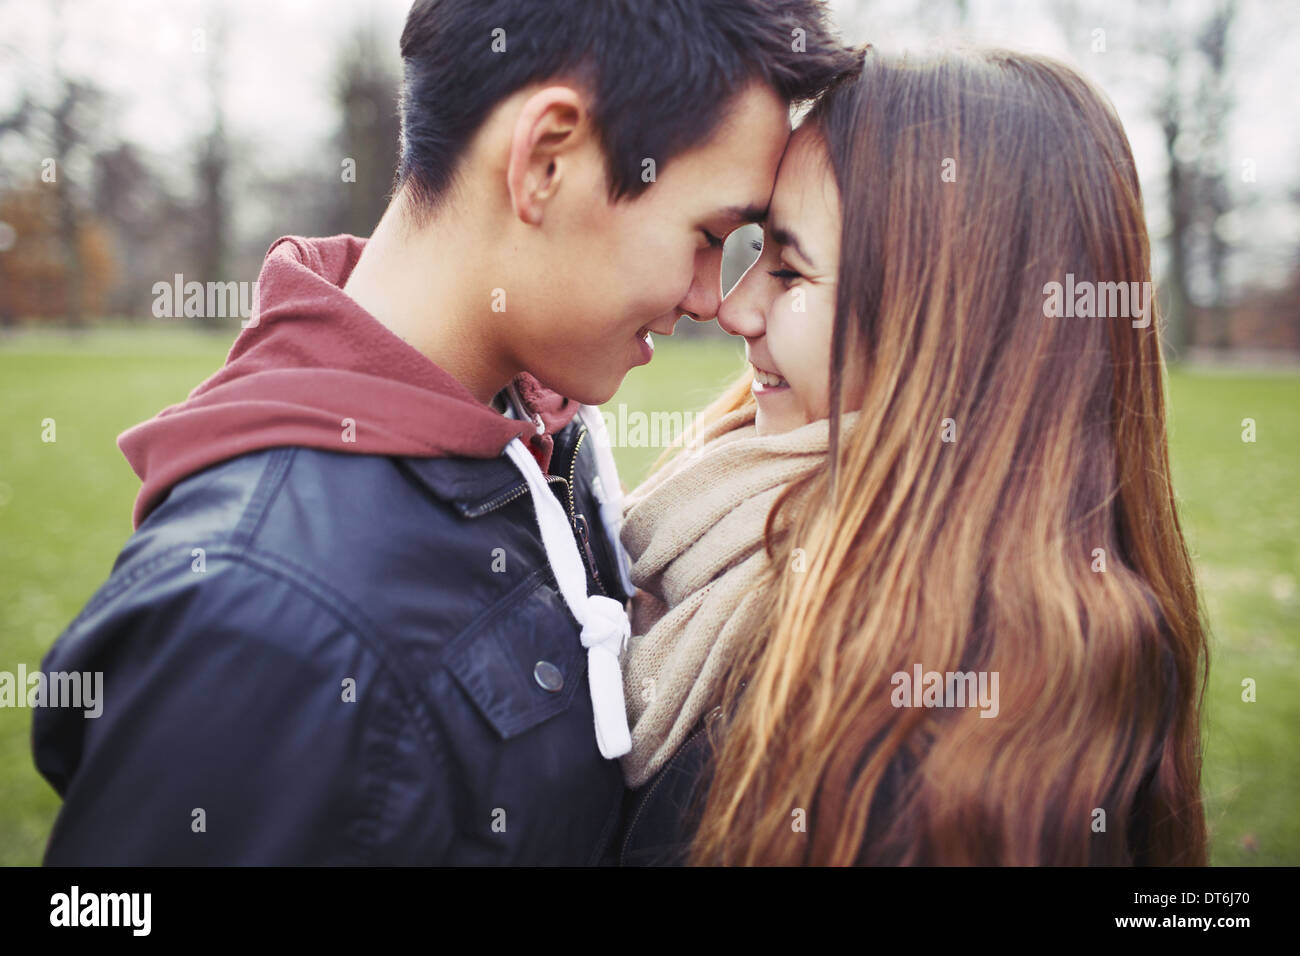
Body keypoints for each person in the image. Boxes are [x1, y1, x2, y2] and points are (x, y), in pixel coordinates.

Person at [31, 0, 858, 865]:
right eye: (709, 235)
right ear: (545, 160)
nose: (709, 298)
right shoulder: (266, 621)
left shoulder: (539, 430)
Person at [616, 46, 1210, 866]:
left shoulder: (926, 732)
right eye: (755, 253)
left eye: (788, 271)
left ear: (943, 326)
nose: (733, 306)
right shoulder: (730, 516)